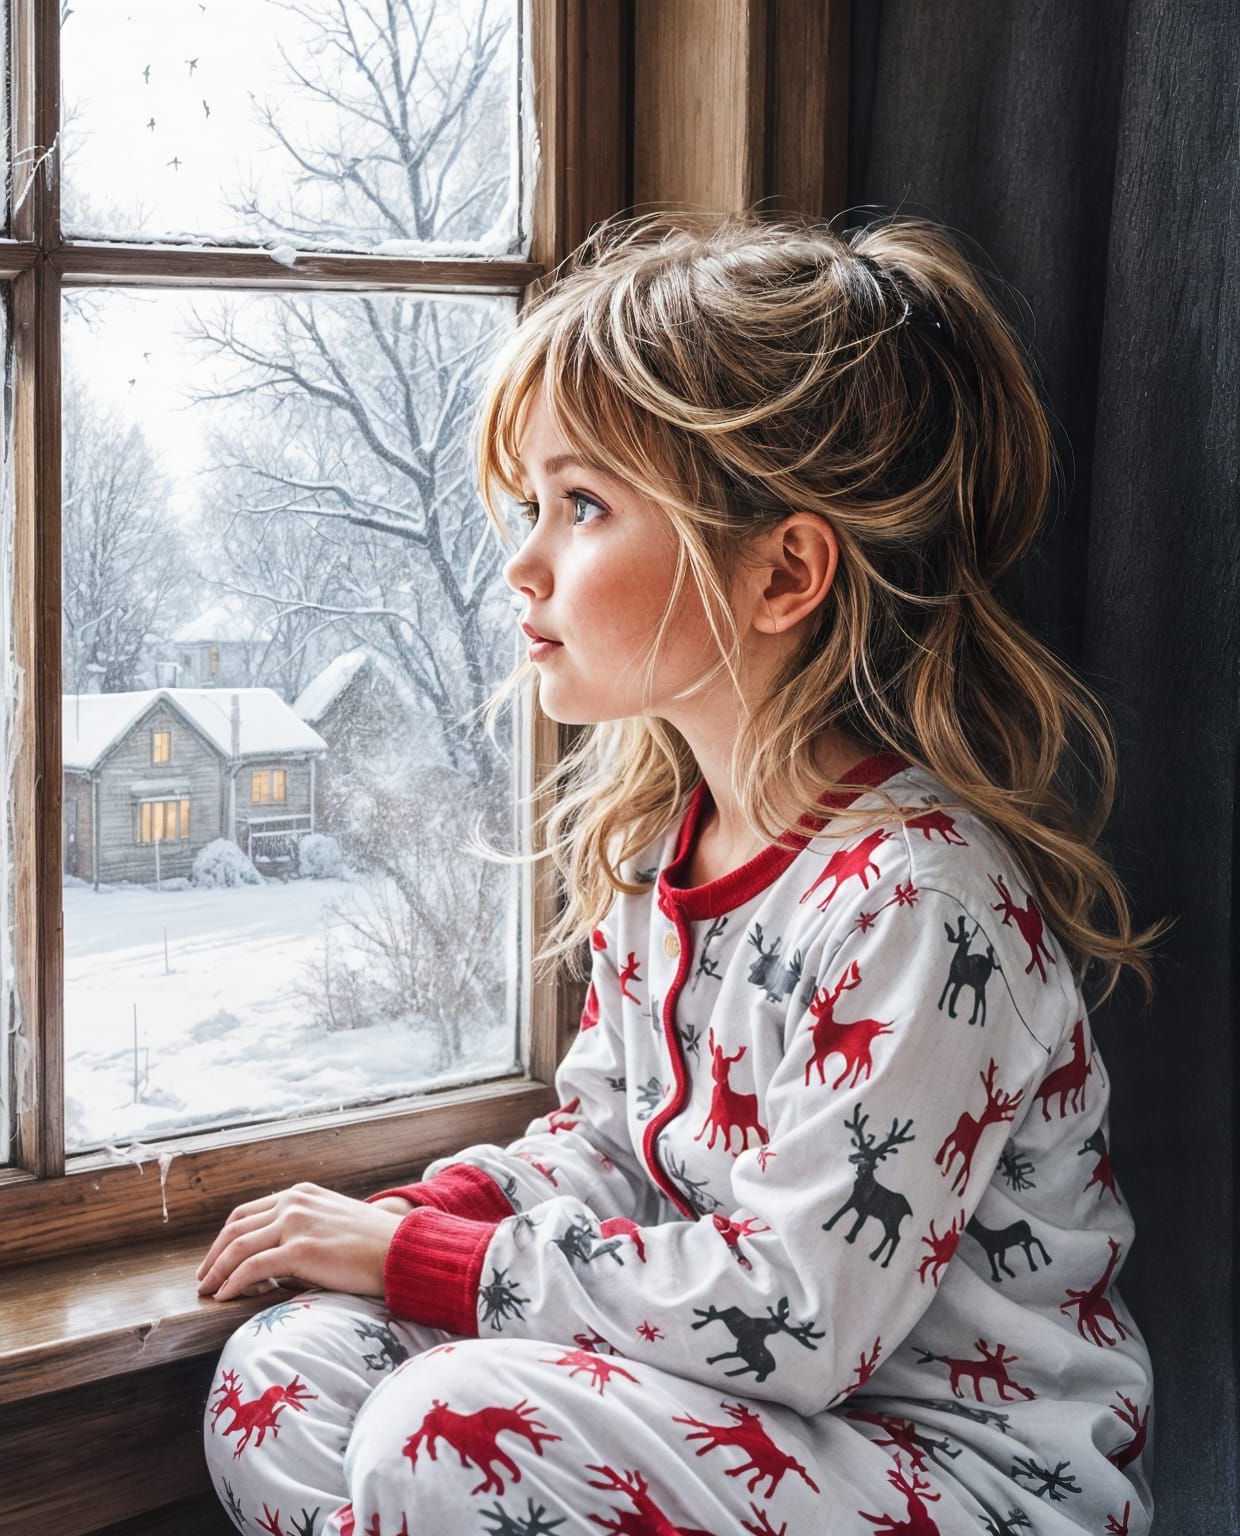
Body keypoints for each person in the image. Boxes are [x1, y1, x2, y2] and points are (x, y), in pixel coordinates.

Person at [195, 210, 1165, 1536]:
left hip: (957, 1470)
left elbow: (800, 1315)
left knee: (444, 1428)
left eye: (582, 506)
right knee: (283, 1377)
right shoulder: (664, 847)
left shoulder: (921, 903)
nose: (524, 562)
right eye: (531, 507)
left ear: (783, 573)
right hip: (737, 1410)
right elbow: (612, 1146)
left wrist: (434, 1262)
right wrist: (432, 1213)